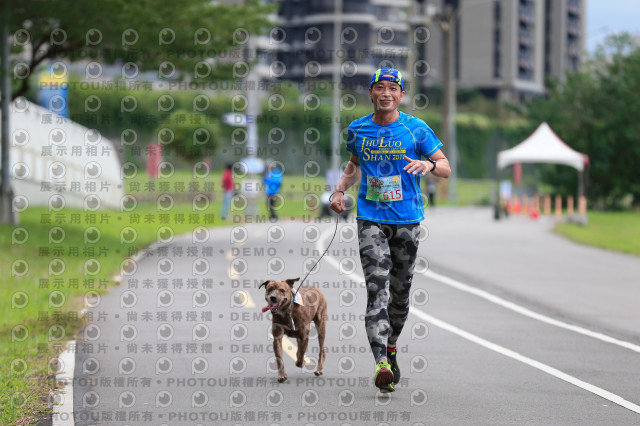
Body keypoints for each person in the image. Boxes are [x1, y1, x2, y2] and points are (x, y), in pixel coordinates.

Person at [330, 67, 451, 393]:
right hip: (370, 220)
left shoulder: (416, 129)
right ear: (371, 93)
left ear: (401, 94)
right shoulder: (358, 129)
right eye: (379, 88)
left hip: (408, 222)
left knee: (399, 298)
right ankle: (381, 362)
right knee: (377, 291)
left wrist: (428, 165)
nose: (386, 93)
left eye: (392, 89)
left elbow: (445, 168)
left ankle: (392, 344)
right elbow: (354, 164)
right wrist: (340, 189)